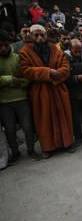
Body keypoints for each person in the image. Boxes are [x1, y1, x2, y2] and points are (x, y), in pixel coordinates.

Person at [19, 24, 74, 159]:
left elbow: (66, 68)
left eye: (42, 35)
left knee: (64, 116)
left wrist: (56, 75)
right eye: (36, 35)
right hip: (40, 92)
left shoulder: (55, 49)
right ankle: (47, 147)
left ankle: (68, 143)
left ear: (46, 35)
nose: (40, 38)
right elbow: (26, 71)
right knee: (44, 120)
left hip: (58, 89)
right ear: (31, 36)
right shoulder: (24, 52)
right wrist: (48, 72)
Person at [0, 30, 41, 165]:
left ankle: (31, 150)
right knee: (10, 129)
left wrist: (17, 82)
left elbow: (27, 78)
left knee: (27, 127)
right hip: (4, 101)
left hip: (22, 98)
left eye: (6, 45)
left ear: (10, 43)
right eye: (0, 46)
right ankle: (15, 153)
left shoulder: (18, 58)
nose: (3, 48)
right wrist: (10, 80)